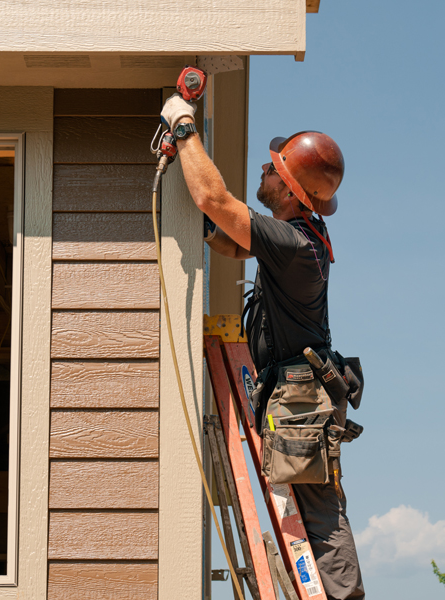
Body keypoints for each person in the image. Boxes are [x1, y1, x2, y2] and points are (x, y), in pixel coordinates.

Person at [161, 94, 365, 600]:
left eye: (274, 170)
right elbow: (229, 236)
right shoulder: (299, 236)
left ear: (293, 192)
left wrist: (185, 127)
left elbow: (217, 202)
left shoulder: (295, 244)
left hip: (300, 397)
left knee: (319, 509)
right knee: (314, 504)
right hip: (297, 389)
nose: (264, 170)